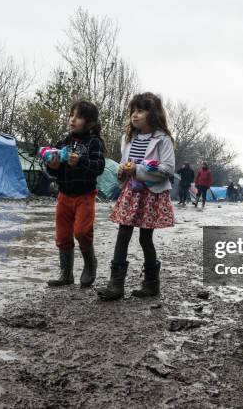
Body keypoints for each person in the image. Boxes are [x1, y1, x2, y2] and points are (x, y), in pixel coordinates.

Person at [97, 92, 175, 300]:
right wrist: (123, 171)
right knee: (123, 232)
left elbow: (167, 168)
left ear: (154, 114)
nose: (135, 115)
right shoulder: (128, 138)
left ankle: (151, 284)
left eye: (141, 110)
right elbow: (124, 163)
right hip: (131, 192)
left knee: (145, 237)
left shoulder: (163, 139)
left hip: (151, 194)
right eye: (133, 110)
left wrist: (138, 169)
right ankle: (116, 285)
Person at [45, 100, 105, 288]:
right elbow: (56, 172)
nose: (72, 119)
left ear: (90, 123)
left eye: (78, 116)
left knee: (81, 231)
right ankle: (66, 274)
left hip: (85, 196)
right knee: (62, 235)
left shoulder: (94, 142)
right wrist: (52, 166)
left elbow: (99, 167)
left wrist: (80, 161)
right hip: (64, 196)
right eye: (71, 115)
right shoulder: (64, 142)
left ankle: (90, 264)